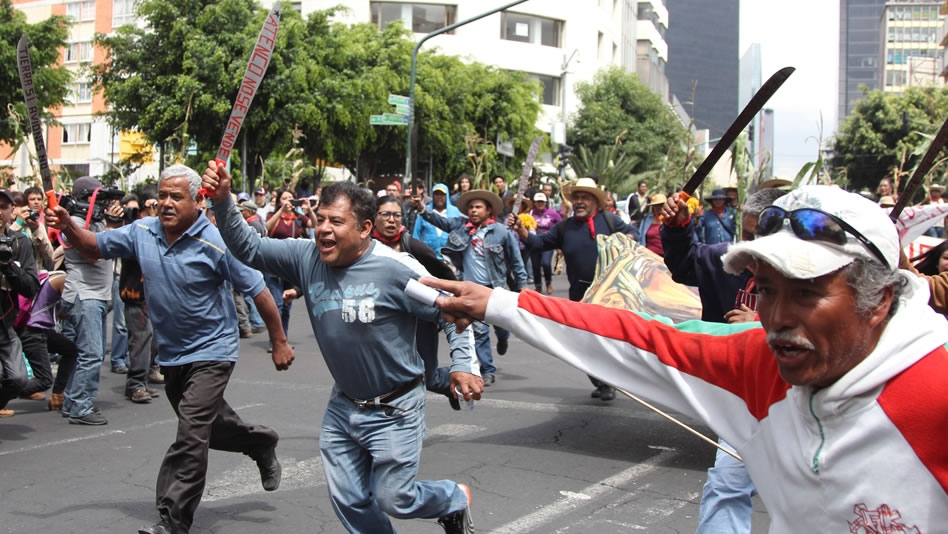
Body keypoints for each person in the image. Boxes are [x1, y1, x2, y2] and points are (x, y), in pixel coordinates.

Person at [428, 184, 948, 531]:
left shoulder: (935, 394)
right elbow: (634, 338)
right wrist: (498, 303)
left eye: (808, 293)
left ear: (879, 300)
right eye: (766, 290)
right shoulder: (755, 362)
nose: (779, 317)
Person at [203, 161, 481, 534]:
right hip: (344, 407)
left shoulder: (396, 269)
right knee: (350, 500)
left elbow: (455, 313)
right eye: (320, 220)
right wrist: (223, 201)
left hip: (396, 408)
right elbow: (248, 248)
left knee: (393, 497)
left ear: (365, 229)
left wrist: (463, 365)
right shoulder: (306, 256)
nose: (323, 230)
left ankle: (451, 499)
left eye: (336, 222)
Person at [46, 164, 293, 534]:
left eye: (176, 197)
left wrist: (279, 341)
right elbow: (94, 248)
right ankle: (260, 442)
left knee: (191, 434)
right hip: (173, 354)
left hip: (213, 351)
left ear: (198, 200)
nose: (165, 203)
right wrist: (67, 225)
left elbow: (257, 290)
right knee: (209, 426)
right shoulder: (142, 231)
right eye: (161, 195)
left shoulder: (216, 240)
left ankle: (172, 519)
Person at [661, 187, 788, 534]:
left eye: (763, 238)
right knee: (727, 483)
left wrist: (763, 324)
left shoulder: (811, 274)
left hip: (803, 402)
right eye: (747, 236)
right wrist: (677, 228)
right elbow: (686, 263)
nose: (752, 250)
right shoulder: (726, 261)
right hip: (745, 398)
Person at [508, 177, 636, 401]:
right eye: (576, 197)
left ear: (595, 201)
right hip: (579, 295)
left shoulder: (610, 220)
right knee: (583, 342)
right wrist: (521, 231)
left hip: (609, 295)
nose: (579, 201)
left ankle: (612, 380)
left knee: (607, 340)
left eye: (584, 197)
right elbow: (539, 244)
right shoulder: (564, 227)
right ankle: (601, 380)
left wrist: (628, 240)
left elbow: (635, 237)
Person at [414, 188, 526, 386]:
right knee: (480, 331)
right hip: (471, 289)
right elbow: (440, 221)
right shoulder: (460, 227)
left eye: (478, 207)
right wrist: (423, 209)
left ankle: (502, 337)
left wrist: (523, 285)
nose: (474, 211)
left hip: (496, 289)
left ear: (488, 210)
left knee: (501, 324)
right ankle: (488, 369)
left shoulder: (500, 231)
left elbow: (515, 260)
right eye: (471, 207)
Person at [373, 195, 470, 410]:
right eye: (385, 214)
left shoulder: (413, 247)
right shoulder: (365, 247)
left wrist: (459, 304)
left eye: (396, 215)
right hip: (384, 321)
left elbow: (444, 275)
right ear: (373, 218)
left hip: (420, 320)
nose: (391, 220)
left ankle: (450, 385)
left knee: (430, 377)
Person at [58, 176, 116, 425]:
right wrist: (113, 229)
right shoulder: (76, 222)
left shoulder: (97, 222)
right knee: (91, 354)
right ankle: (81, 406)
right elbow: (93, 255)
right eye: (98, 198)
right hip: (85, 295)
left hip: (95, 295)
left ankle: (72, 401)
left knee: (87, 353)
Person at [0, 188, 40, 417]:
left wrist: (9, 268)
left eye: (3, 206)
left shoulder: (18, 243)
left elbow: (31, 286)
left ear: (11, 211)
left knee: (17, 378)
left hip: (6, 323)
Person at [412, 183, 461, 262]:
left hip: (450, 260)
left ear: (447, 196)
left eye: (442, 194)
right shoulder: (424, 211)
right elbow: (416, 233)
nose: (439, 197)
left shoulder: (455, 212)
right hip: (428, 259)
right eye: (436, 194)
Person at [528, 192, 563, 294]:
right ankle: (538, 285)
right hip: (534, 241)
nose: (540, 204)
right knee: (535, 265)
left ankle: (548, 282)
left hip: (547, 242)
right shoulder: (530, 213)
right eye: (538, 202)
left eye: (542, 202)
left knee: (546, 263)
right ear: (534, 203)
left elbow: (561, 224)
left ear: (545, 202)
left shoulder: (552, 213)